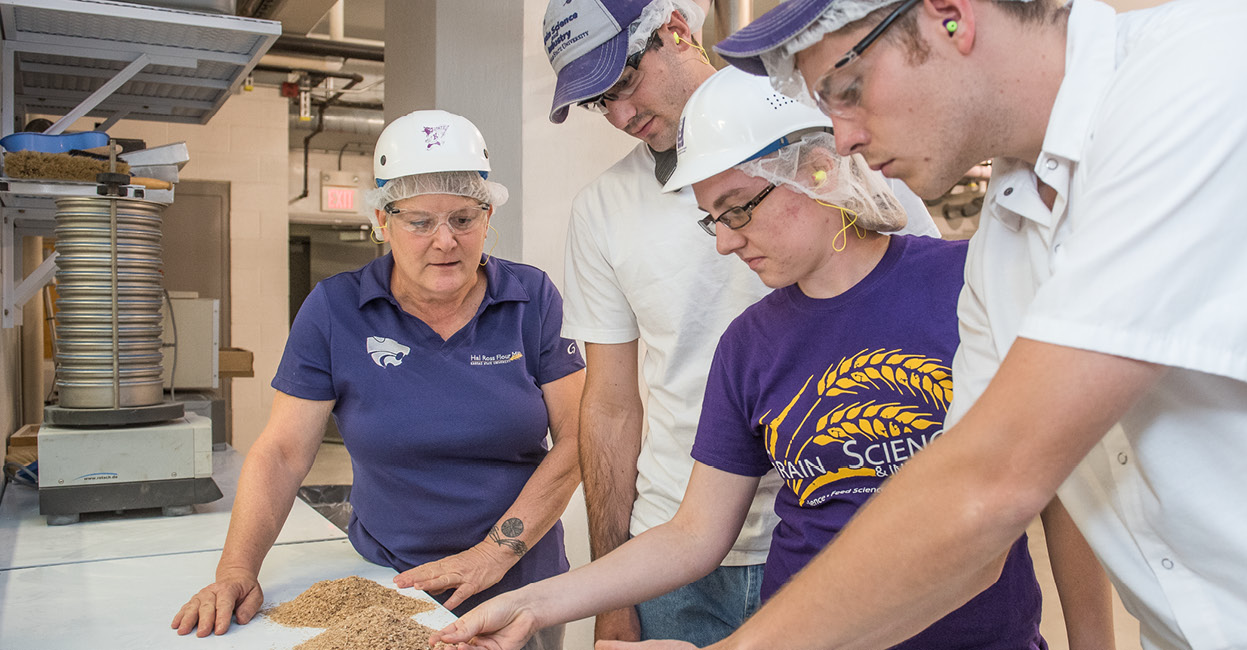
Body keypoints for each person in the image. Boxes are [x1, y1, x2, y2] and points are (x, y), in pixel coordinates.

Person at [632, 0, 1247, 648]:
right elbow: (954, 520)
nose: (847, 140)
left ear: (945, 16)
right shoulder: (1009, 238)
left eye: (848, 90)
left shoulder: (1214, 64)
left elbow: (995, 482)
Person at [433, 67, 1116, 650]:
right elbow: (695, 534)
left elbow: (1064, 494)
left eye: (738, 209)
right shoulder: (749, 345)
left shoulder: (971, 284)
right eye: (712, 219)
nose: (726, 243)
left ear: (815, 170)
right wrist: (536, 603)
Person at [539, 1, 941, 645]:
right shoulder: (606, 212)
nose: (619, 115)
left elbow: (923, 303)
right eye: (598, 103)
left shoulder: (834, 147)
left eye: (622, 83)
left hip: (840, 530)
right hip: (679, 544)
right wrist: (608, 592)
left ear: (676, 30)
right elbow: (610, 407)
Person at [170, 110, 586, 650]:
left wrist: (492, 554)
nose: (445, 241)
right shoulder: (336, 308)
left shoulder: (531, 298)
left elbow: (580, 439)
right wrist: (235, 569)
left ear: (487, 217)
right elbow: (282, 452)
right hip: (389, 583)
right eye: (419, 222)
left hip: (520, 583)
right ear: (382, 222)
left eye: (463, 218)